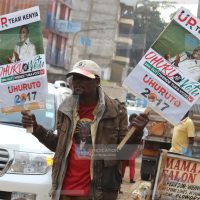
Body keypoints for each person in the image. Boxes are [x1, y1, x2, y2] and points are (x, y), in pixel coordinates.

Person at [21, 60, 149, 200]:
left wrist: (137, 132)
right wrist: (36, 129)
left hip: (97, 193)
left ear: (97, 81)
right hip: (65, 190)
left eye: (84, 78)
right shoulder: (65, 109)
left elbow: (125, 152)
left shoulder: (115, 111)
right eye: (75, 78)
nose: (77, 82)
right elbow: (60, 147)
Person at [121, 113, 138, 184]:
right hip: (126, 148)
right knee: (123, 163)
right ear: (130, 121)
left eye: (135, 120)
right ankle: (120, 177)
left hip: (133, 148)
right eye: (133, 120)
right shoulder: (127, 128)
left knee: (132, 163)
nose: (134, 122)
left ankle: (131, 178)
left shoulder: (137, 130)